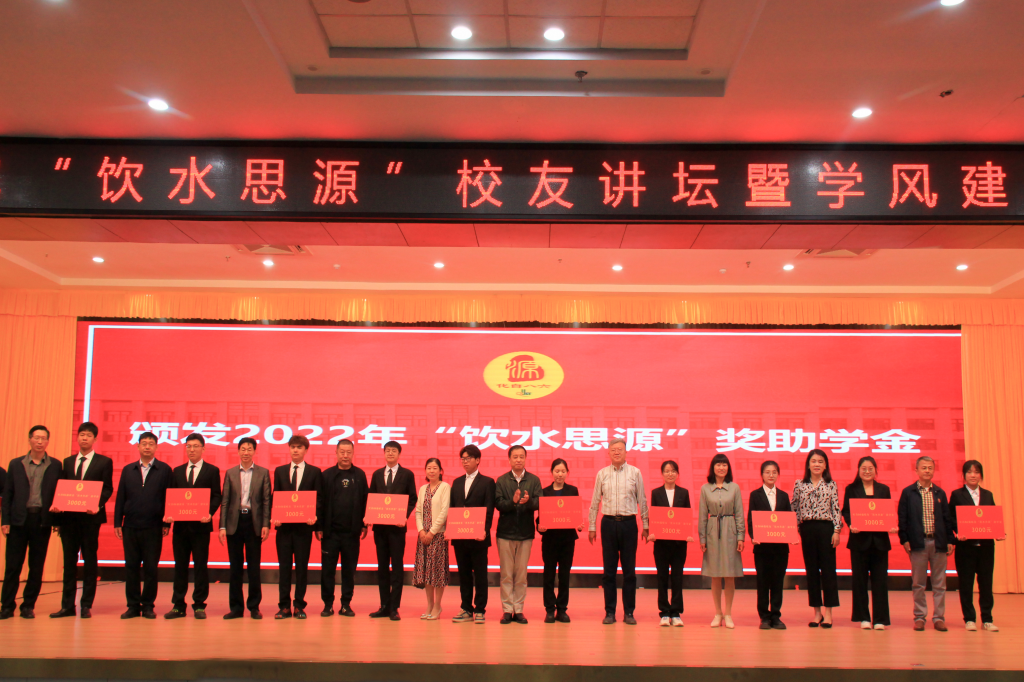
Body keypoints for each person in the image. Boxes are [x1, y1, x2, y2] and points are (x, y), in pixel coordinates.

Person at [50, 422, 114, 620]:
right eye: (81, 435)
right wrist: (57, 511)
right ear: (77, 437)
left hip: (90, 519)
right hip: (69, 520)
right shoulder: (68, 462)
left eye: (88, 435)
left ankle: (86, 604)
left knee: (89, 562)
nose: (84, 438)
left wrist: (97, 504)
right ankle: (67, 606)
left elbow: (107, 488)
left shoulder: (104, 462)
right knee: (69, 563)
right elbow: (62, 488)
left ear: (95, 439)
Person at [0, 425, 62, 619]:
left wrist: (57, 519)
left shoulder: (55, 465)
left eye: (43, 438)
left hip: (41, 521)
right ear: (29, 439)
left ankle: (28, 606)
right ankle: (7, 606)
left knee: (36, 566)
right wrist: (5, 520)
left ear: (48, 441)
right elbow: (7, 494)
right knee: (13, 566)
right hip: (18, 520)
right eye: (36, 438)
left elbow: (60, 493)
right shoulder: (16, 464)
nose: (40, 441)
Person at [588, 438, 649, 625]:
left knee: (629, 571)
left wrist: (646, 524)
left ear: (626, 452)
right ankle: (610, 612)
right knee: (609, 571)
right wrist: (592, 526)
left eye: (620, 449)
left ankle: (629, 612)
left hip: (629, 524)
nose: (616, 452)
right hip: (608, 524)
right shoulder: (602, 474)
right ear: (608, 452)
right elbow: (595, 502)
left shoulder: (635, 473)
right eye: (613, 449)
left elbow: (642, 500)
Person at [113, 431, 173, 619]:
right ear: (138, 446)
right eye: (144, 443)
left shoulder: (164, 470)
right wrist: (117, 522)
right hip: (130, 526)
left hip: (153, 526)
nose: (147, 446)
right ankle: (132, 606)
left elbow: (169, 498)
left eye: (151, 443)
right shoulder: (128, 470)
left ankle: (148, 605)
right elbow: (120, 497)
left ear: (156, 447)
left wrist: (166, 523)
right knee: (131, 566)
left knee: (151, 568)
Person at [164, 433, 222, 619]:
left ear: (203, 448)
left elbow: (217, 496)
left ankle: (199, 605)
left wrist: (210, 513)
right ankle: (178, 605)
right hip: (180, 528)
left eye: (196, 446)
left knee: (200, 567)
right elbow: (171, 496)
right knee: (180, 566)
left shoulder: (212, 471)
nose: (192, 449)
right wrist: (167, 519)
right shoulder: (177, 471)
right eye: (188, 446)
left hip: (201, 528)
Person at [898, 455, 954, 632]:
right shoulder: (908, 493)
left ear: (934, 470)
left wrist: (950, 540)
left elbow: (947, 519)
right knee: (918, 583)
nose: (927, 471)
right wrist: (904, 539)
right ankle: (919, 617)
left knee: (939, 584)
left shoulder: (940, 493)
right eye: (924, 468)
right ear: (916, 470)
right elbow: (902, 518)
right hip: (918, 543)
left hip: (938, 542)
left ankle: (938, 618)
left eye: (930, 468)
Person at [271, 434, 322, 619]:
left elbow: (319, 499)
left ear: (306, 450)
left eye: (299, 447)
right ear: (289, 449)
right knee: (284, 568)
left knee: (301, 568)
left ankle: (299, 606)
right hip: (284, 529)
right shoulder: (280, 471)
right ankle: (284, 606)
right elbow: (276, 496)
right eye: (293, 447)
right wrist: (275, 515)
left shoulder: (314, 472)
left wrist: (314, 517)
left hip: (303, 529)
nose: (295, 450)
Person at [219, 437, 271, 619]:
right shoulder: (230, 473)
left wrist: (266, 524)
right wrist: (222, 526)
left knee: (254, 567)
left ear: (254, 451)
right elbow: (225, 501)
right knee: (235, 567)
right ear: (238, 451)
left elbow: (266, 501)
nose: (246, 452)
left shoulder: (263, 473)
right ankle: (236, 608)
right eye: (243, 449)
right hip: (234, 523)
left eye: (249, 449)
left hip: (253, 522)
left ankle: (254, 606)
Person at [841, 456, 893, 630]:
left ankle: (880, 619)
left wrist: (891, 525)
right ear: (858, 470)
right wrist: (851, 524)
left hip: (880, 542)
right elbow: (846, 511)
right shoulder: (851, 489)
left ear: (876, 470)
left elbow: (887, 513)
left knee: (880, 582)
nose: (867, 471)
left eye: (870, 468)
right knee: (859, 581)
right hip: (859, 542)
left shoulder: (884, 489)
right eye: (863, 468)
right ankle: (863, 617)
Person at [368, 440, 417, 620]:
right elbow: (371, 497)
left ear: (399, 454)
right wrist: (369, 515)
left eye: (393, 451)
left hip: (397, 529)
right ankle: (384, 605)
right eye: (387, 450)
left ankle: (394, 607)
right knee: (382, 567)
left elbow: (412, 498)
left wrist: (404, 516)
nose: (390, 453)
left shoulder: (407, 474)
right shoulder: (377, 474)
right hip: (380, 529)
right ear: (384, 453)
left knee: (396, 567)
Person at [793, 448, 841, 628]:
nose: (817, 464)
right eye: (813, 461)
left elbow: (836, 508)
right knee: (812, 572)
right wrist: (797, 529)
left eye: (820, 461)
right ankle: (817, 612)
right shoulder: (799, 484)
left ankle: (829, 613)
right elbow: (794, 508)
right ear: (808, 464)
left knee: (828, 571)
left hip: (826, 529)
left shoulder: (831, 484)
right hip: (807, 530)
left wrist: (837, 530)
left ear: (825, 465)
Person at [320, 438, 368, 617]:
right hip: (330, 533)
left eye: (349, 452)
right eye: (342, 452)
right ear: (336, 453)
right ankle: (328, 605)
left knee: (349, 571)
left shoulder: (360, 475)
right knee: (328, 571)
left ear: (353, 453)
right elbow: (320, 502)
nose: (345, 455)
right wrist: (319, 527)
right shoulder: (326, 475)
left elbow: (366, 501)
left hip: (351, 533)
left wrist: (364, 524)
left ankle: (346, 604)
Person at [495, 444, 542, 624]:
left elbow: (540, 502)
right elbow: (498, 504)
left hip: (525, 533)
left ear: (525, 458)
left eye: (521, 456)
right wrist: (512, 502)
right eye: (515, 457)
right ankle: (507, 610)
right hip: (505, 533)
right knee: (506, 574)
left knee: (521, 575)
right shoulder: (501, 480)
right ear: (509, 459)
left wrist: (528, 501)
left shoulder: (534, 480)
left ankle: (519, 609)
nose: (518, 460)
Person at [950, 460, 999, 631]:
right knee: (966, 584)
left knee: (986, 584)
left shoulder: (988, 495)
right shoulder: (957, 495)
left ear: (981, 475)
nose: (973, 475)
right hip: (966, 547)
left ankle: (987, 619)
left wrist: (998, 532)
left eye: (976, 472)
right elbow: (951, 518)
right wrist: (958, 531)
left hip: (986, 547)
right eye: (969, 472)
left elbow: (993, 518)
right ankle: (969, 619)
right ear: (963, 475)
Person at [449, 444, 495, 624]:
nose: (465, 462)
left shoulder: (487, 482)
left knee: (481, 574)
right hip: (460, 537)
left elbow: (489, 509)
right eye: (463, 459)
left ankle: (480, 609)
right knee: (464, 574)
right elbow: (453, 508)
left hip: (478, 537)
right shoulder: (457, 482)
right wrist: (450, 529)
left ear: (477, 460)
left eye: (468, 458)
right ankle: (466, 608)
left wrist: (485, 530)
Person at [698, 453, 744, 629]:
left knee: (729, 574)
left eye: (724, 464)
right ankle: (718, 613)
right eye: (718, 464)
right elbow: (703, 515)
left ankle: (728, 613)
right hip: (712, 531)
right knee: (715, 575)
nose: (721, 467)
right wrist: (702, 537)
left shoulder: (734, 488)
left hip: (730, 530)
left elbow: (739, 513)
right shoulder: (705, 489)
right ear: (713, 468)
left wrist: (740, 536)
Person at [747, 460, 791, 630]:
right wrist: (753, 536)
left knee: (778, 582)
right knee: (763, 582)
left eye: (774, 472)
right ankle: (764, 617)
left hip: (780, 548)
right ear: (762, 475)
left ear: (778, 474)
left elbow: (788, 519)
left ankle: (776, 616)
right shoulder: (755, 495)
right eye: (767, 472)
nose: (771, 475)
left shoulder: (784, 496)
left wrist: (791, 534)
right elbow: (751, 519)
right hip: (762, 547)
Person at [538, 458, 583, 623]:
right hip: (550, 539)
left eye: (563, 471)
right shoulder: (544, 492)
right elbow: (540, 517)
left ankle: (562, 609)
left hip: (567, 540)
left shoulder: (572, 490)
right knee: (549, 575)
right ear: (551, 472)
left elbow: (575, 513)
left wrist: (579, 524)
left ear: (567, 473)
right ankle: (550, 609)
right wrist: (539, 526)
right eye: (557, 471)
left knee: (564, 575)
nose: (560, 474)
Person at [649, 460, 690, 627]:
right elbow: (654, 516)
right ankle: (664, 612)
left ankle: (676, 612)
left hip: (679, 544)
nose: (670, 474)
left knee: (678, 578)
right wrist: (652, 532)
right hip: (661, 543)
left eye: (673, 471)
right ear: (662, 474)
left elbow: (686, 516)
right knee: (662, 578)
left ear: (677, 474)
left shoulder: (684, 493)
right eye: (667, 471)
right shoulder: (656, 493)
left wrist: (688, 533)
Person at [414, 457, 450, 620]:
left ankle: (438, 605)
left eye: (435, 468)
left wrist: (431, 532)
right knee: (426, 572)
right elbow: (418, 511)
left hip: (438, 536)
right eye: (429, 468)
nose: (432, 471)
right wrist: (421, 530)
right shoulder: (423, 488)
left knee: (437, 573)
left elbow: (444, 512)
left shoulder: (445, 487)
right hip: (423, 537)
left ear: (441, 471)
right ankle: (429, 604)